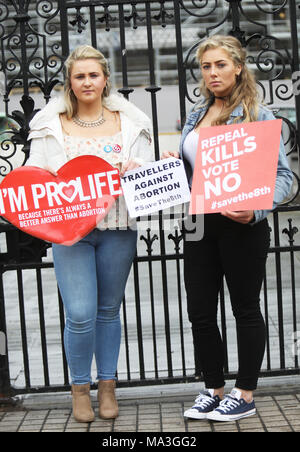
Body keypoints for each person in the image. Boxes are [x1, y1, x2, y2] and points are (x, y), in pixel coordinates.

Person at [162, 35, 293, 422]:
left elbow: (282, 176)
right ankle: (213, 389)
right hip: (199, 223)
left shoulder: (259, 114)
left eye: (220, 64)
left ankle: (245, 393)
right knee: (200, 311)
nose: (213, 73)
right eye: (206, 66)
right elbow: (196, 173)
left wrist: (255, 209)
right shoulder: (195, 115)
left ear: (238, 67)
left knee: (245, 309)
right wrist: (176, 162)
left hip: (241, 227)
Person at [27, 45, 153, 423]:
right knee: (80, 314)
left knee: (107, 311)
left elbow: (147, 171)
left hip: (118, 227)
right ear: (70, 80)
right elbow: (33, 176)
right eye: (79, 76)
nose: (86, 82)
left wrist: (136, 167)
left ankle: (107, 385)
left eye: (93, 75)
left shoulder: (129, 123)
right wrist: (50, 179)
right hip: (70, 233)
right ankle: (79, 388)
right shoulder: (50, 126)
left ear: (105, 80)